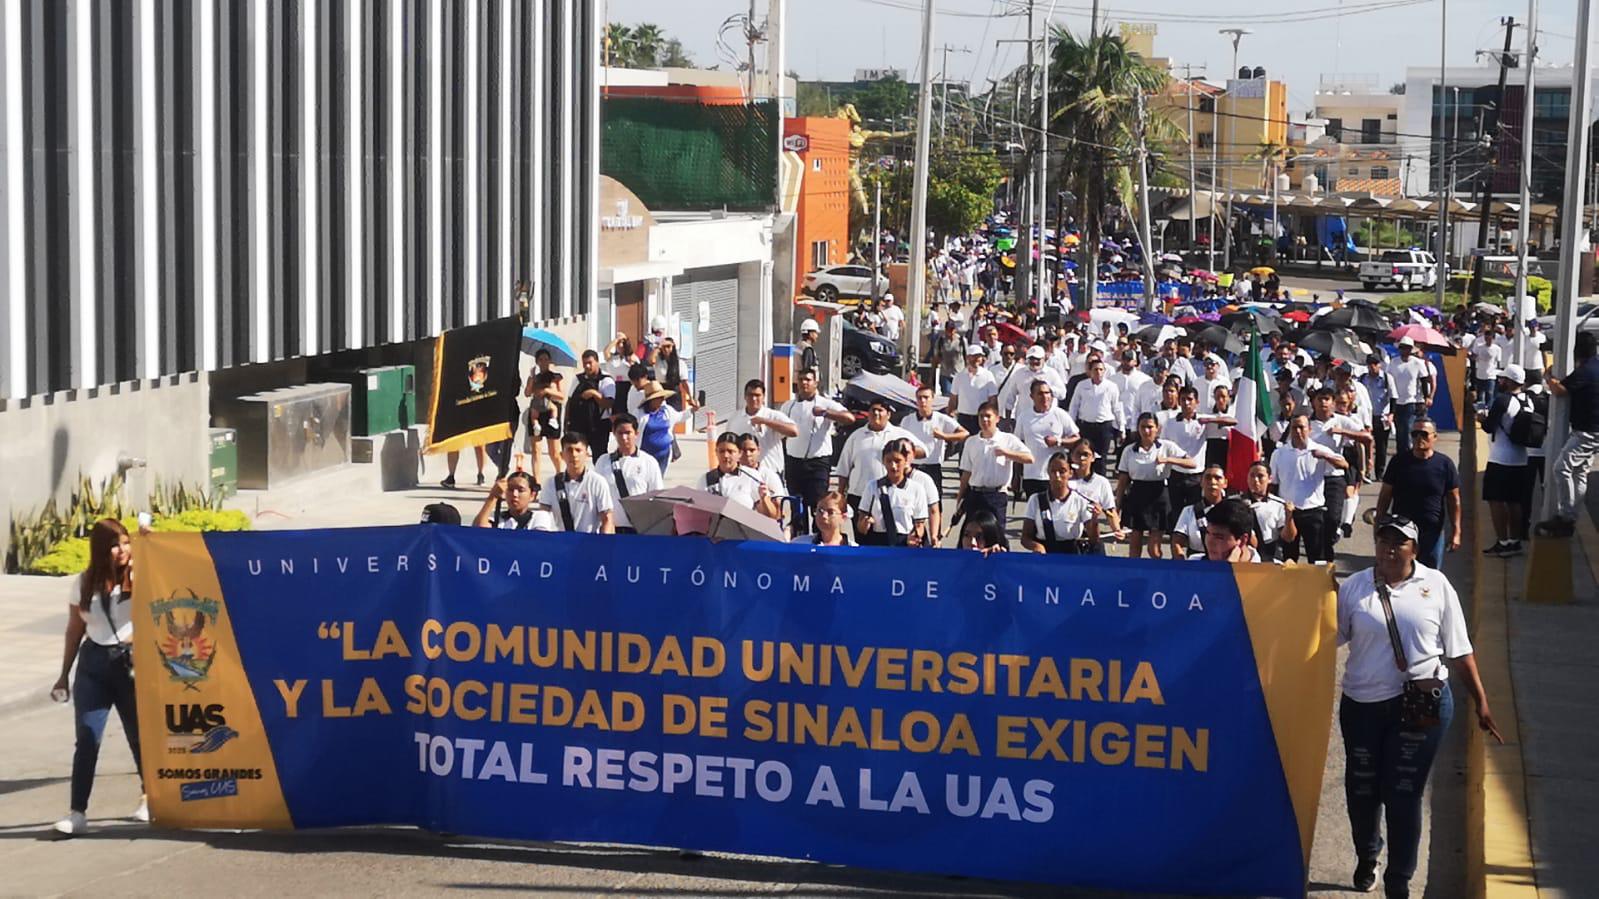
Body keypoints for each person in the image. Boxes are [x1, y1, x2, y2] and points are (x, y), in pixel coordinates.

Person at [1337, 514, 1500, 898]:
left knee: (1403, 791)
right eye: (1383, 541)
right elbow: (1329, 638)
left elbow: (1460, 650)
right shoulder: (1354, 588)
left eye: (1399, 542)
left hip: (1421, 705)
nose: (1390, 549)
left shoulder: (1437, 585)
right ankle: (1367, 855)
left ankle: (1399, 879)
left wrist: (1482, 702)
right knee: (1362, 789)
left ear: (1415, 549)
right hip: (1362, 704)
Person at [51, 519, 146, 836]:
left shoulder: (140, 575)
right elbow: (74, 630)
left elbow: (171, 570)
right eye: (115, 545)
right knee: (88, 739)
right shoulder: (83, 583)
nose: (123, 550)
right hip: (93, 665)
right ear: (101, 550)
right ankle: (78, 813)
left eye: (126, 543)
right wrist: (63, 675)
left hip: (129, 664)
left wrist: (149, 541)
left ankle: (150, 797)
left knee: (139, 736)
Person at [1375, 417, 1460, 569]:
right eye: (1415, 434)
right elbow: (1385, 495)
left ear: (1434, 437)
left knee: (1430, 576)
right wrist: (1379, 524)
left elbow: (1454, 500)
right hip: (1402, 530)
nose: (1419, 438)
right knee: (1401, 572)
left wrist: (1456, 531)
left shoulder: (1445, 464)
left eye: (1424, 434)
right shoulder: (1398, 462)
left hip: (1432, 532)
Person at [1116, 412, 1201, 559]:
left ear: (1157, 429)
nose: (1146, 431)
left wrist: (1169, 460)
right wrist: (1117, 506)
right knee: (1135, 544)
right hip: (1137, 494)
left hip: (1159, 495)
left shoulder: (1166, 446)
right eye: (1143, 427)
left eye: (1150, 427)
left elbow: (1192, 463)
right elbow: (1123, 480)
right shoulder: (1129, 450)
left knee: (1153, 549)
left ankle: (1156, 575)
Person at [780, 368, 854, 536]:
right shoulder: (788, 405)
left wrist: (827, 413)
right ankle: (799, 538)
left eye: (808, 379)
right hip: (794, 461)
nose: (804, 383)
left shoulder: (824, 402)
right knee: (796, 506)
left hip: (818, 463)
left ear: (816, 382)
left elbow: (849, 418)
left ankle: (819, 538)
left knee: (818, 505)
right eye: (801, 380)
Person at [1540, 332, 1599, 536]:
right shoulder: (1595, 367)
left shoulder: (1585, 371)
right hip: (1593, 429)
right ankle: (1571, 516)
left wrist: (1548, 377)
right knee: (1580, 472)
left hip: (1587, 432)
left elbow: (1560, 390)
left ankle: (1565, 517)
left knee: (1561, 468)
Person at [1270, 412, 1350, 563]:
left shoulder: (1319, 449)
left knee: (1317, 559)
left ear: (1309, 429)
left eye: (1301, 427)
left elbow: (1344, 465)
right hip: (1289, 513)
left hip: (1314, 512)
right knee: (1288, 561)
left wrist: (1325, 457)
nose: (1298, 431)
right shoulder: (1279, 453)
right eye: (1294, 428)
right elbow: (1273, 484)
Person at [836, 398, 926, 513]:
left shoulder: (898, 433)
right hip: (858, 494)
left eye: (880, 410)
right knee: (860, 529)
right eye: (873, 410)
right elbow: (844, 468)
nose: (876, 413)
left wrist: (905, 450)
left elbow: (924, 451)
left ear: (888, 414)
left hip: (888, 494)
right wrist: (840, 495)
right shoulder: (856, 436)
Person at [1479, 364, 1532, 557]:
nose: (1500, 382)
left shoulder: (1502, 401)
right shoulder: (1528, 401)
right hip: (1521, 459)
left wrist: (1480, 418)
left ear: (1509, 381)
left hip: (1500, 458)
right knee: (1515, 502)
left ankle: (1502, 541)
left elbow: (1488, 427)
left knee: (1496, 501)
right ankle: (1515, 541)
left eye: (1503, 379)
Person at [956, 400, 1033, 524]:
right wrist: (960, 496)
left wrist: (1007, 453)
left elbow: (1029, 458)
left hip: (996, 495)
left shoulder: (1007, 439)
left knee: (996, 535)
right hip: (975, 494)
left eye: (988, 416)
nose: (985, 420)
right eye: (981, 416)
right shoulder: (971, 442)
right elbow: (966, 473)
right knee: (970, 534)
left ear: (997, 418)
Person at [594, 414, 663, 534]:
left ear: (636, 433)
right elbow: (595, 495)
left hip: (639, 529)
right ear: (613, 433)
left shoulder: (648, 462)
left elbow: (657, 497)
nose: (624, 437)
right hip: (611, 529)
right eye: (620, 433)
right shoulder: (603, 461)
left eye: (628, 433)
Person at [721, 379, 799, 485]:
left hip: (770, 473)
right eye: (750, 395)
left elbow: (794, 431)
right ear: (745, 396)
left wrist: (765, 421)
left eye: (757, 395)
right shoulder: (735, 418)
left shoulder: (773, 415)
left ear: (763, 397)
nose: (753, 399)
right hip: (742, 475)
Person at [1020, 451, 1100, 554]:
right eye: (1053, 471)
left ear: (1070, 473)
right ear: (1048, 472)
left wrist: (1095, 519)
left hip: (1071, 555)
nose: (1057, 476)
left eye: (1062, 471)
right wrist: (1036, 546)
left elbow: (1094, 540)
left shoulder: (1080, 501)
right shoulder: (1036, 500)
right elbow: (1025, 537)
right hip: (1045, 553)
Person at [854, 441, 930, 547]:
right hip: (878, 543)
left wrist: (915, 536)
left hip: (904, 543)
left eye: (898, 461)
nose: (893, 466)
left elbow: (920, 523)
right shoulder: (872, 486)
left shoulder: (916, 489)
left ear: (906, 461)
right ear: (883, 461)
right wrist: (865, 524)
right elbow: (861, 524)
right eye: (889, 461)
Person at [1014, 379, 1080, 498]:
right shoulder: (1024, 417)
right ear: (1032, 396)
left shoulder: (1060, 414)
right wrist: (1016, 476)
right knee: (1036, 513)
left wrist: (1059, 441)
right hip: (1032, 475)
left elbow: (1077, 439)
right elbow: (1018, 447)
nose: (1044, 397)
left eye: (1047, 393)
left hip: (1056, 474)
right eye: (1040, 393)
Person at [538, 434, 616, 534]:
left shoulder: (598, 482)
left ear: (587, 454)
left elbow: (607, 519)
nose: (574, 455)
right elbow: (543, 516)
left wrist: (604, 544)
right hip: (560, 542)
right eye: (569, 450)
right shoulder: (551, 483)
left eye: (578, 450)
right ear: (562, 455)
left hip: (589, 542)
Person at [699, 432, 781, 520]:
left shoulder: (751, 476)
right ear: (716, 452)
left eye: (731, 452)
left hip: (745, 530)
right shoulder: (706, 479)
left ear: (740, 453)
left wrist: (764, 498)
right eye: (721, 451)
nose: (725, 455)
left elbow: (771, 516)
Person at [1067, 357, 1125, 475]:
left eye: (1100, 369)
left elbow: (1117, 408)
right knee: (1083, 456)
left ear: (1104, 371)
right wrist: (1071, 428)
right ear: (1090, 371)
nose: (1098, 372)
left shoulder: (1111, 386)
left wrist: (1122, 427)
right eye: (1095, 369)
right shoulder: (1082, 385)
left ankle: (1100, 485)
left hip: (1104, 427)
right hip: (1085, 426)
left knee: (1101, 459)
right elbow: (1074, 407)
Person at [902, 385, 967, 490]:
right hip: (912, 466)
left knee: (934, 501)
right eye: (920, 398)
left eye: (926, 397)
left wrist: (945, 436)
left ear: (932, 399)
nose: (923, 401)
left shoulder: (941, 419)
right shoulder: (907, 420)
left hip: (932, 467)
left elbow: (964, 433)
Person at [1067, 442, 1121, 551]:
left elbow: (1110, 510)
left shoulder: (1101, 482)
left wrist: (1117, 529)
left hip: (1092, 536)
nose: (1082, 458)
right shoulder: (1065, 480)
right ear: (1072, 456)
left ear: (1093, 457)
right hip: (1069, 538)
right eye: (1078, 454)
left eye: (1086, 454)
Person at [1170, 465, 1231, 559]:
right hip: (1197, 563)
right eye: (1208, 478)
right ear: (1201, 482)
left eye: (1217, 478)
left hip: (1227, 563)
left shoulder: (1233, 510)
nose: (1212, 481)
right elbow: (1177, 542)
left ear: (1225, 483)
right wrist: (1182, 565)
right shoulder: (1189, 511)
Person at [524, 349, 566, 484]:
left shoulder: (556, 377)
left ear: (550, 361)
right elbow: (527, 393)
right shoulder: (535, 377)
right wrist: (531, 378)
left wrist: (548, 390)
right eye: (541, 359)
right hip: (536, 410)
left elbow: (562, 396)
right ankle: (536, 482)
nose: (544, 362)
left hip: (551, 412)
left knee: (554, 451)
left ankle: (560, 476)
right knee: (536, 450)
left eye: (546, 359)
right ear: (537, 362)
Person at [1242, 460, 1297, 562]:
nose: (1255, 480)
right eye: (1252, 476)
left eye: (1260, 476)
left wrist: (1289, 517)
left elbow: (1289, 537)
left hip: (1269, 553)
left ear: (1270, 479)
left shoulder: (1278, 504)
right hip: (1244, 554)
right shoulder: (1236, 502)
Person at [565, 349, 615, 457]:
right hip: (578, 425)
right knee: (576, 455)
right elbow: (570, 401)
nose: (587, 366)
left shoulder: (606, 380)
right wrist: (566, 423)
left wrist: (594, 394)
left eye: (590, 363)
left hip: (598, 426)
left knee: (599, 456)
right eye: (585, 363)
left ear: (597, 362)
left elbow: (608, 404)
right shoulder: (578, 379)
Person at [638, 383, 693, 475]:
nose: (661, 400)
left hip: (664, 454)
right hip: (645, 455)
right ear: (651, 400)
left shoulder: (666, 410)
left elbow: (680, 417)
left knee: (658, 482)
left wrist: (692, 410)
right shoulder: (639, 414)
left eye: (662, 397)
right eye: (658, 398)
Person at [1389, 338, 1432, 454]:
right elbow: (1389, 380)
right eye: (1403, 348)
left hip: (1410, 401)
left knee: (1408, 429)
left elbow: (1424, 380)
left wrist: (1426, 397)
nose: (1405, 350)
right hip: (1397, 401)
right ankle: (1401, 455)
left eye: (1408, 348)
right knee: (1399, 432)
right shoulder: (1393, 362)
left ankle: (1409, 454)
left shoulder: (1418, 363)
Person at [474, 470, 554, 530]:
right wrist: (492, 497)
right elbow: (477, 531)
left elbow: (538, 541)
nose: (514, 494)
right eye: (510, 489)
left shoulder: (539, 517)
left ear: (532, 495)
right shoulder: (496, 517)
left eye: (521, 490)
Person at [1191, 497, 1264, 562]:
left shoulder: (1271, 571)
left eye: (1219, 537)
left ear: (1242, 540)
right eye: (1207, 533)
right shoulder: (1193, 565)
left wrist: (1229, 570)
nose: (1209, 542)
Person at [948, 345, 998, 437]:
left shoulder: (988, 375)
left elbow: (993, 399)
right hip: (963, 418)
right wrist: (950, 415)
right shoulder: (959, 376)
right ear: (967, 358)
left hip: (981, 418)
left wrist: (993, 416)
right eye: (974, 356)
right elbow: (953, 398)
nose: (976, 359)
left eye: (979, 356)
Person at [1469, 322, 1503, 411]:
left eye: (1490, 338)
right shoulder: (1480, 347)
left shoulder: (1497, 349)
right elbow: (1473, 357)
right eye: (1486, 338)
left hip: (1491, 375)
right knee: (1480, 395)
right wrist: (1473, 356)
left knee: (1490, 394)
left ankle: (1489, 411)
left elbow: (1498, 362)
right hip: (1480, 374)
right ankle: (1480, 412)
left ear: (1493, 339)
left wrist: (1499, 374)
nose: (1488, 340)